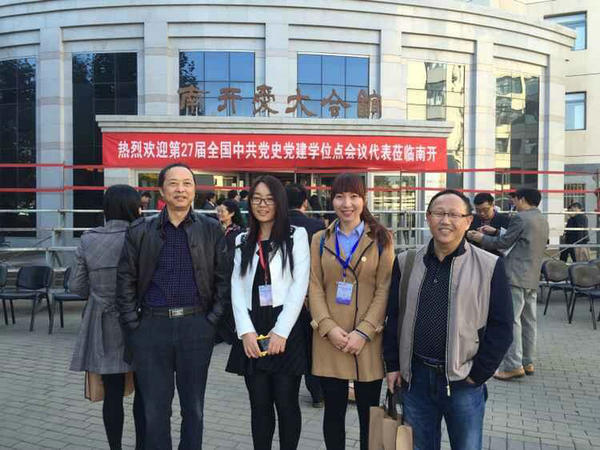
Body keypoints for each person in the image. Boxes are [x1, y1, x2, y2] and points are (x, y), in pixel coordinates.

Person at [384, 189, 513, 450]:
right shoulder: (407, 262)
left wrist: (478, 374)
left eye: (454, 214)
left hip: (463, 381)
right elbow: (394, 317)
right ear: (428, 217)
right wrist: (393, 365)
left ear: (468, 221)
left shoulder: (489, 266)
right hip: (416, 379)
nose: (445, 221)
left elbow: (502, 326)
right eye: (439, 213)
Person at [117, 163, 231, 450]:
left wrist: (212, 320)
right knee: (155, 410)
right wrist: (133, 325)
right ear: (161, 190)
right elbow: (125, 280)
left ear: (194, 189)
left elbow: (223, 279)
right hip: (151, 327)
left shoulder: (210, 229)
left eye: (187, 183)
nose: (181, 189)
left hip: (196, 327)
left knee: (193, 408)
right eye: (173, 183)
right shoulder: (140, 230)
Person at [309, 173, 394, 450]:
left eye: (354, 196)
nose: (347, 204)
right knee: (333, 414)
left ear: (364, 199)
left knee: (370, 416)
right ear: (331, 200)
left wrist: (364, 332)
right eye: (339, 196)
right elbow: (314, 287)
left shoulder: (381, 238)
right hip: (329, 340)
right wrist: (328, 327)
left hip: (367, 341)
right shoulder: (320, 239)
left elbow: (385, 289)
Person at [226, 175, 310, 450]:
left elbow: (299, 285)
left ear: (280, 202)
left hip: (286, 326)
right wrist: (246, 332)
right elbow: (236, 287)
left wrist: (281, 332)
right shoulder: (242, 239)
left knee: (286, 404)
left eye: (269, 199)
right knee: (259, 405)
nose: (262, 205)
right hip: (253, 326)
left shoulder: (295, 235)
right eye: (257, 199)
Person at [69, 184, 145, 450]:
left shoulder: (88, 239)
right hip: (141, 322)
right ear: (135, 208)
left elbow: (77, 286)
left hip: (103, 325)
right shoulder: (144, 235)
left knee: (112, 394)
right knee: (144, 394)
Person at [468, 188, 549, 381]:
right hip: (531, 276)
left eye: (515, 199)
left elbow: (504, 243)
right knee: (529, 321)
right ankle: (527, 361)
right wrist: (496, 232)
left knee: (512, 320)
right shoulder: (541, 218)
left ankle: (513, 365)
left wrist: (481, 238)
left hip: (515, 275)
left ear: (522, 199)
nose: (514, 203)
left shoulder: (520, 218)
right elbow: (522, 240)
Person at [286, 183, 326, 408]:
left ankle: (287, 391)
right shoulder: (317, 226)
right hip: (312, 296)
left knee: (289, 342)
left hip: (284, 296)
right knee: (312, 345)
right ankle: (317, 393)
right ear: (304, 202)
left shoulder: (276, 225)